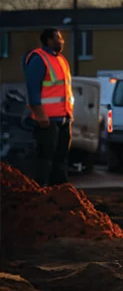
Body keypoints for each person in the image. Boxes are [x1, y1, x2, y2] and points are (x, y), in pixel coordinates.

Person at [22, 28, 73, 186]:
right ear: (49, 40)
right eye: (58, 38)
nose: (62, 41)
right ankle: (40, 190)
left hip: (63, 118)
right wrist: (40, 114)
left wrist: (68, 115)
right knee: (45, 158)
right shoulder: (39, 59)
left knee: (61, 159)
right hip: (47, 119)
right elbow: (33, 88)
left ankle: (59, 191)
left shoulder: (61, 60)